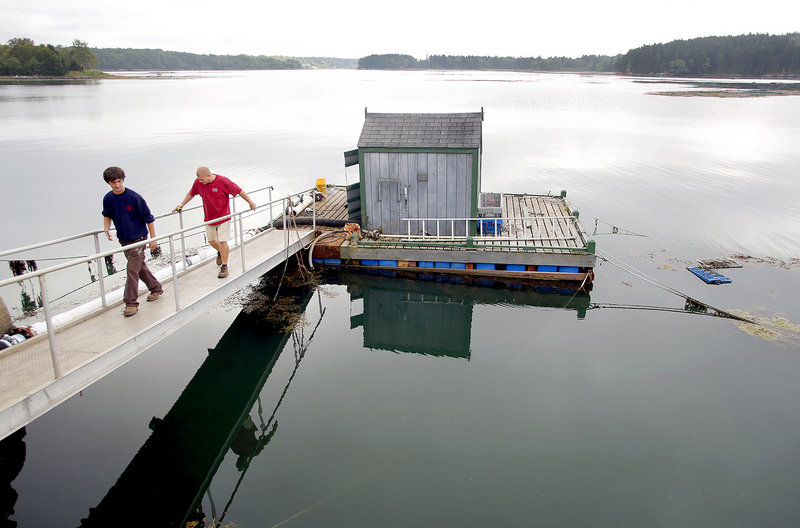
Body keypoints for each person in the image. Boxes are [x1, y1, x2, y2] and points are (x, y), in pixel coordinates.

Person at [173, 166, 256, 278]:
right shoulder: (198, 182)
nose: (200, 181)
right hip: (209, 218)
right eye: (199, 179)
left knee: (222, 241)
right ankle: (221, 252)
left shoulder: (223, 181)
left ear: (209, 175)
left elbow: (239, 191)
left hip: (223, 217)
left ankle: (224, 266)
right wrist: (181, 205)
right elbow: (191, 193)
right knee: (212, 241)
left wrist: (250, 202)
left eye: (202, 179)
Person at [101, 166, 163, 317]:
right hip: (124, 240)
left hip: (139, 238)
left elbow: (149, 218)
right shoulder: (108, 198)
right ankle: (155, 288)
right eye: (113, 182)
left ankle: (131, 303)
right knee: (139, 267)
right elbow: (107, 215)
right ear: (108, 183)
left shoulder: (134, 197)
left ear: (123, 180)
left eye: (119, 181)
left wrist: (153, 240)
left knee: (132, 270)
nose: (117, 185)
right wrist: (106, 229)